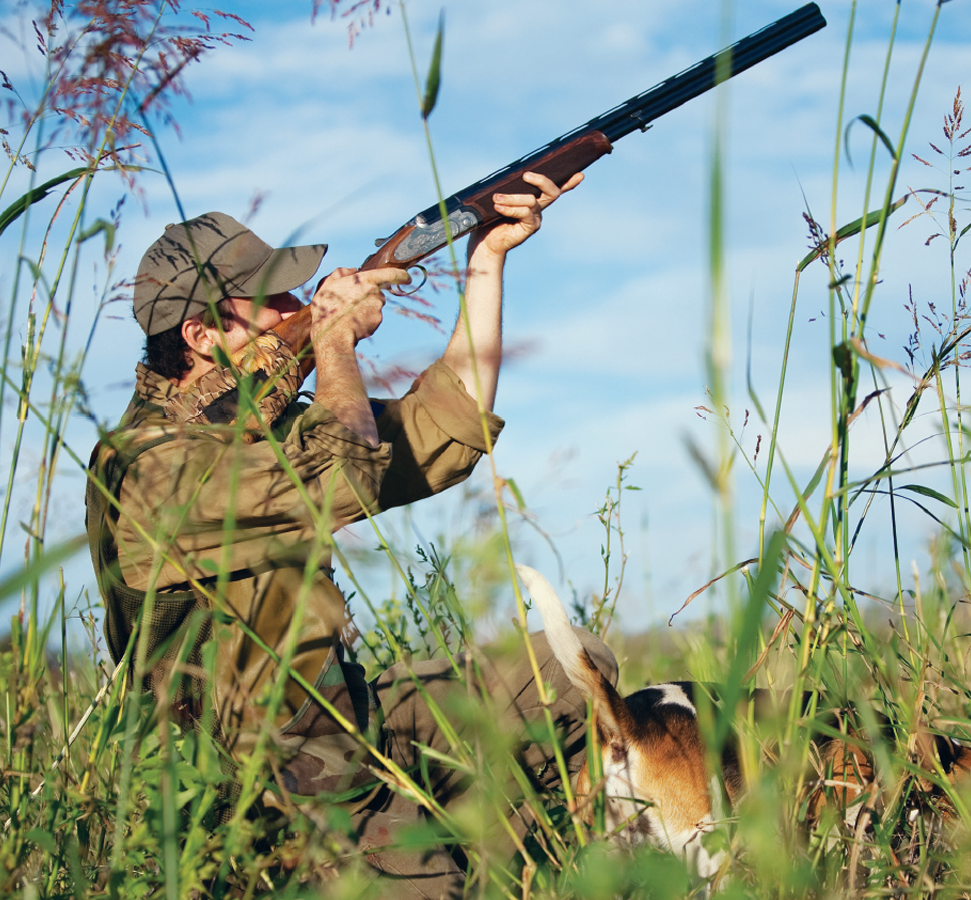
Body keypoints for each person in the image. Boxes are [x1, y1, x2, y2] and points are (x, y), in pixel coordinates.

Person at [85, 172, 616, 897]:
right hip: (274, 777)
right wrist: (334, 343)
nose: (293, 308)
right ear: (201, 335)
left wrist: (485, 260)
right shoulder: (149, 469)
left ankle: (490, 863)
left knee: (575, 670)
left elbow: (443, 434)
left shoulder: (254, 430)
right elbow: (346, 477)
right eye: (268, 300)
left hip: (343, 713)